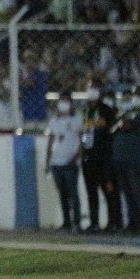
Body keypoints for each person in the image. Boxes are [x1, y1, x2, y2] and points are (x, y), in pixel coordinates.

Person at [82, 77, 121, 233]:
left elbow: (103, 124)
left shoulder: (105, 108)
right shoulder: (87, 109)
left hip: (103, 156)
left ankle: (114, 221)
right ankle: (94, 222)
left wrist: (89, 124)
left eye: (94, 88)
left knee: (109, 189)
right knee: (91, 191)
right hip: (89, 155)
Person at [46, 92, 83, 233]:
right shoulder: (54, 121)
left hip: (70, 162)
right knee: (63, 194)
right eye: (61, 101)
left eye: (66, 101)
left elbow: (82, 139)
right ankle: (66, 222)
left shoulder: (77, 119)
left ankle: (77, 223)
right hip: (56, 163)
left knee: (73, 194)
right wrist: (48, 161)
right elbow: (50, 141)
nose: (63, 104)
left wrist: (77, 156)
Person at [112, 86, 140, 234]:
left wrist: (123, 119)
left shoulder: (136, 114)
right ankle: (132, 223)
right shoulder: (125, 113)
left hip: (135, 160)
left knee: (137, 193)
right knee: (128, 193)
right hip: (121, 159)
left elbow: (126, 126)